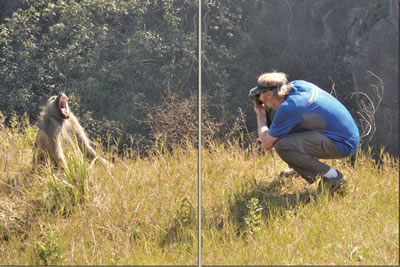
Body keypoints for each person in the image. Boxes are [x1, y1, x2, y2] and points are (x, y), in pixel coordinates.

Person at [248, 71, 360, 192]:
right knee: (285, 128)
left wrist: (260, 116)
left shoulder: (289, 108)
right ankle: (299, 168)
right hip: (346, 135)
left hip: (342, 144)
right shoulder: (299, 85)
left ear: (269, 94)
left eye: (260, 97)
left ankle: (334, 177)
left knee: (282, 145)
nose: (260, 101)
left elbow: (266, 144)